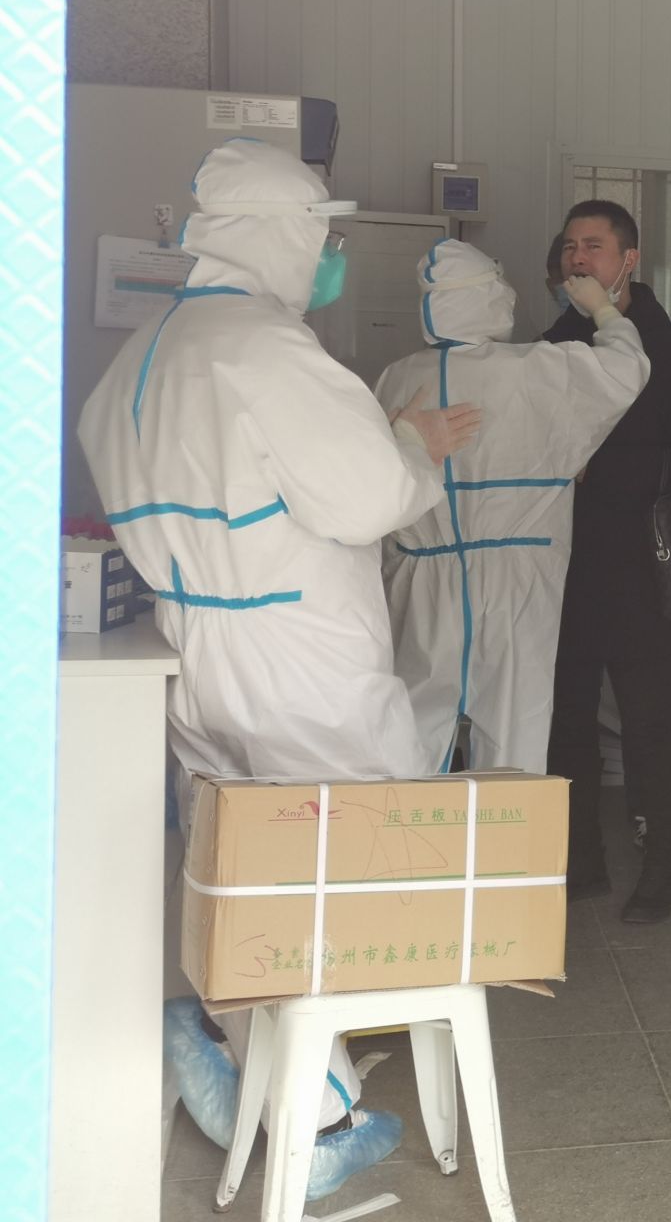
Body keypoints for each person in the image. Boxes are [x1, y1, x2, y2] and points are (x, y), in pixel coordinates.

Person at [77, 139, 482, 1198]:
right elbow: (367, 499)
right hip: (303, 658)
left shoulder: (139, 359)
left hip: (196, 654)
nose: (329, 256)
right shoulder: (266, 348)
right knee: (346, 878)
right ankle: (323, 1112)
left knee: (245, 872)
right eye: (321, 235)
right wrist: (413, 443)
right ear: (277, 235)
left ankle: (241, 1043)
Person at [376, 238, 649, 774]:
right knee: (515, 731)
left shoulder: (395, 378)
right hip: (517, 578)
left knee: (412, 730)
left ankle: (408, 829)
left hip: (421, 578)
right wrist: (604, 310)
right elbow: (628, 369)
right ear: (486, 297)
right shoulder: (537, 368)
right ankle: (508, 830)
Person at [544, 199, 671, 923]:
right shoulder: (553, 345)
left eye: (594, 245)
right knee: (566, 721)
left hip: (642, 569)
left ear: (629, 260)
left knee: (648, 725)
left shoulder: (670, 352)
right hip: (562, 566)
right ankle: (579, 859)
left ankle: (660, 868)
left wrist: (605, 471)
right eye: (570, 246)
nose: (578, 258)